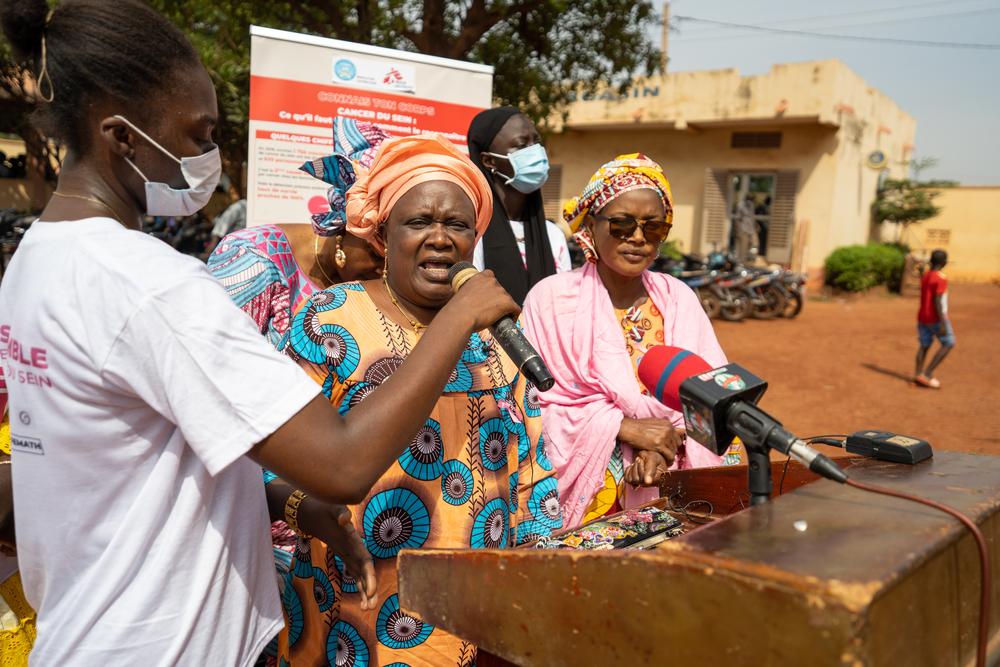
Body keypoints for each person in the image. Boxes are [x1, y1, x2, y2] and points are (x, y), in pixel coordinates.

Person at [0, 2, 518, 665]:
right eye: (198, 133)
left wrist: (284, 503)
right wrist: (458, 318)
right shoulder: (151, 286)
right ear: (121, 135)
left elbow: (136, 459)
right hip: (163, 645)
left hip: (91, 627)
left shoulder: (39, 259)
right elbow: (343, 462)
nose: (208, 157)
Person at [276, 132, 562, 666]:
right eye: (419, 222)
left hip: (476, 608)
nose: (440, 238)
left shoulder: (496, 331)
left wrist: (535, 568)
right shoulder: (331, 320)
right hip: (356, 607)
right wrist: (308, 511)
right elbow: (269, 463)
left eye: (457, 224)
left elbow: (533, 467)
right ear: (383, 236)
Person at [522, 154, 727, 528]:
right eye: (621, 225)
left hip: (674, 469)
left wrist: (663, 448)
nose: (637, 239)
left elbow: (713, 397)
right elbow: (528, 406)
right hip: (586, 488)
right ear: (591, 226)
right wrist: (623, 428)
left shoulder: (678, 297)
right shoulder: (550, 300)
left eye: (652, 228)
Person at [208, 118, 384, 351]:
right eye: (377, 253)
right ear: (347, 224)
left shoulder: (369, 287)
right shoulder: (252, 256)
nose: (383, 270)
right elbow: (215, 357)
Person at [467, 106, 571, 304]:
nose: (535, 151)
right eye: (521, 145)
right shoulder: (473, 234)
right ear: (489, 160)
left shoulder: (553, 235)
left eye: (536, 141)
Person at [915, 249, 955, 389]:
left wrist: (921, 270)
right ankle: (927, 373)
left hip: (922, 317)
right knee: (949, 342)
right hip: (935, 317)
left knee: (924, 345)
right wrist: (942, 322)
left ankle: (918, 374)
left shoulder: (926, 275)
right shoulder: (941, 278)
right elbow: (937, 300)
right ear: (944, 263)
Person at [734, 194, 757, 261]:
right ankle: (740, 261)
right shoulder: (740, 205)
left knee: (751, 245)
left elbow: (752, 217)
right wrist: (738, 229)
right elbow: (737, 218)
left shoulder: (751, 206)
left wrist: (754, 226)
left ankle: (747, 259)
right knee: (742, 247)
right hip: (743, 229)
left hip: (750, 229)